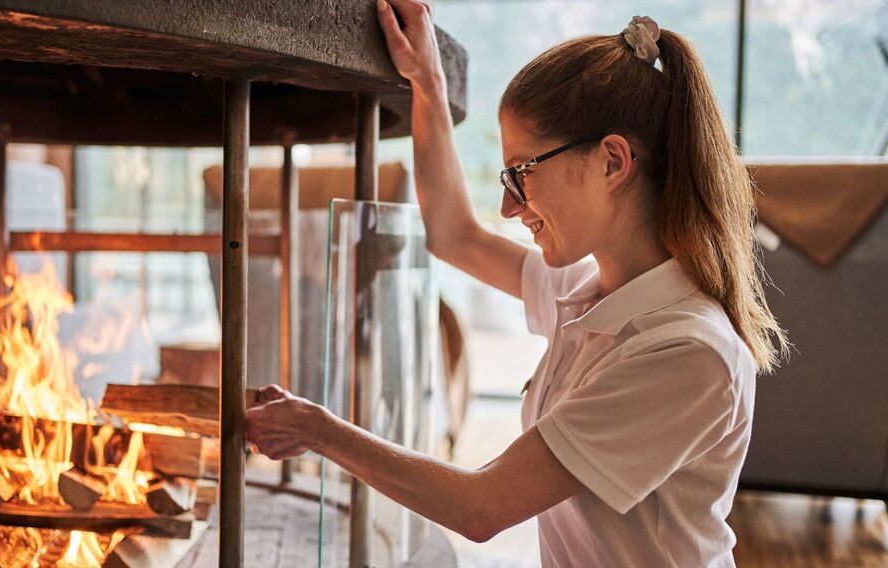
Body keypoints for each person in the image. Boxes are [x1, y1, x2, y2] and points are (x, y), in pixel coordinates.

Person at [245, 2, 789, 565]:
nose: (509, 206)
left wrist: (318, 430)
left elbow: (481, 507)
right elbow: (456, 235)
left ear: (612, 162)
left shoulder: (684, 350)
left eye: (521, 173)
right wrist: (426, 84)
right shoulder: (587, 287)